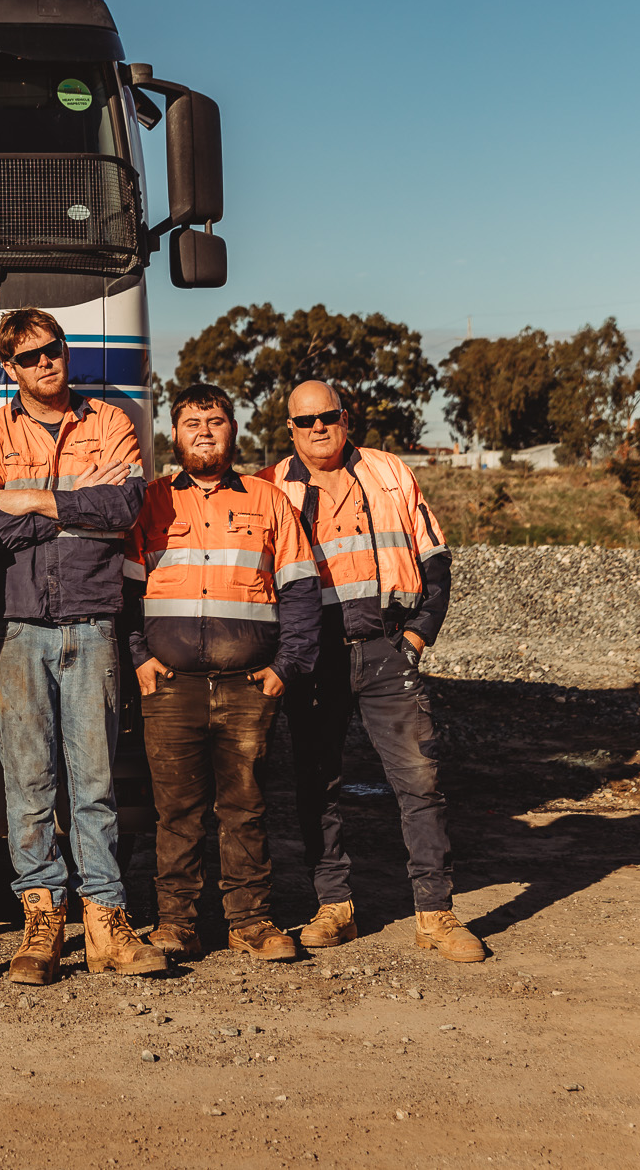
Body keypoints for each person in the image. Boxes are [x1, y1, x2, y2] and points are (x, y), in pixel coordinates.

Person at [0, 309, 162, 983]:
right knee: (28, 782)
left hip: (94, 622)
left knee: (96, 780)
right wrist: (70, 507)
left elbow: (122, 510)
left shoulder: (109, 423)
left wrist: (39, 502)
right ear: (9, 368)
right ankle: (41, 920)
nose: (49, 362)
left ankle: (106, 920)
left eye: (56, 349)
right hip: (20, 626)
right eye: (32, 356)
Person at [259, 380, 484, 962]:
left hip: (386, 648)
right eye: (304, 421)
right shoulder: (269, 487)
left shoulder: (390, 474)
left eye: (327, 417)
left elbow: (436, 562)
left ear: (345, 417)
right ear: (289, 428)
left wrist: (415, 636)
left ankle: (435, 914)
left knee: (419, 780)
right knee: (317, 783)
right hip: (315, 656)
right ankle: (334, 907)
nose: (317, 428)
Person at [131, 383, 320, 963]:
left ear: (233, 430)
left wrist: (286, 668)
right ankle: (177, 925)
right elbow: (121, 593)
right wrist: (139, 658)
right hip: (169, 687)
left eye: (215, 421)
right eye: (192, 422)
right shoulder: (151, 502)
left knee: (246, 806)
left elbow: (302, 592)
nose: (204, 432)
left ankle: (251, 922)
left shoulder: (269, 502)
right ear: (174, 432)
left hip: (247, 688)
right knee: (176, 811)